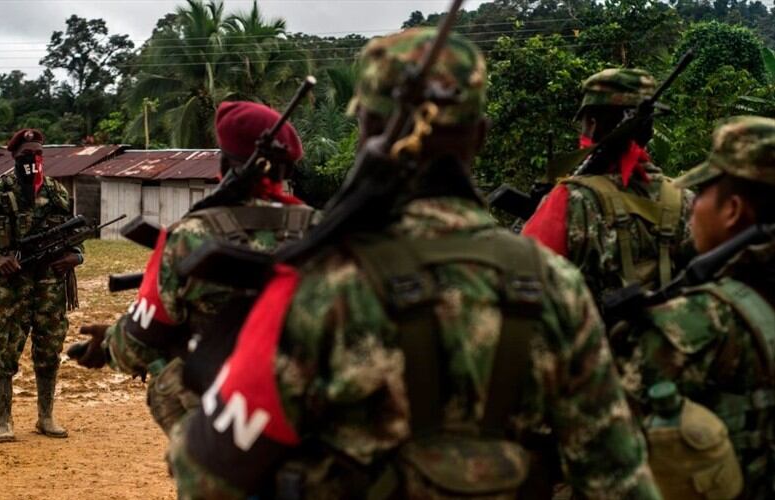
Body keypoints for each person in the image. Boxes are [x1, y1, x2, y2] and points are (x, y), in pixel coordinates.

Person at [163, 28, 660, 499]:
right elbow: (618, 479)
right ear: (480, 136)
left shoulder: (323, 282)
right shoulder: (556, 286)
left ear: (367, 136)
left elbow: (208, 475)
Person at [72, 101, 317, 436]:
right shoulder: (321, 230)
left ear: (222, 164)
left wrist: (107, 347)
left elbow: (140, 341)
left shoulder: (193, 234)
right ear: (286, 170)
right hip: (308, 403)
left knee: (168, 369)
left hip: (224, 411)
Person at [614, 116, 775, 499]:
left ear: (732, 209)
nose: (692, 205)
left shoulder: (691, 325)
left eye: (702, 192)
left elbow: (612, 453)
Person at [522, 68, 695, 307]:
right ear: (649, 131)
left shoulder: (569, 200)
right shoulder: (687, 200)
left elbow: (523, 286)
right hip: (671, 340)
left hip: (591, 342)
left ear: (591, 124)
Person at [0, 128, 83, 443]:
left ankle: (46, 418)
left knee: (49, 351)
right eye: (25, 156)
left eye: (37, 154)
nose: (32, 160)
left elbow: (74, 235)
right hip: (12, 288)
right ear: (14, 157)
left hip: (51, 288)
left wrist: (76, 257)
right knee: (4, 352)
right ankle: (4, 422)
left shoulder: (57, 192)